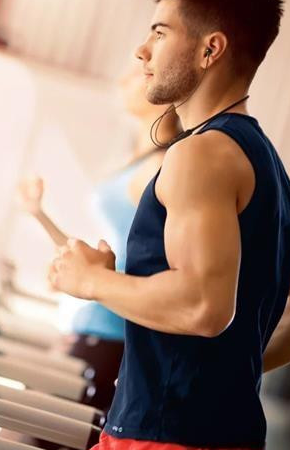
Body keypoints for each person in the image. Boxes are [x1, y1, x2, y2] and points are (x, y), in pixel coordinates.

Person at [48, 0, 290, 450]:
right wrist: (228, 372)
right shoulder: (265, 166)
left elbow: (203, 306)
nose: (141, 51)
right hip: (212, 446)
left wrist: (92, 282)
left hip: (170, 449)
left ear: (211, 49)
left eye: (159, 33)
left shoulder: (201, 156)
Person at [17, 68, 181, 411]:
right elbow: (102, 257)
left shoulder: (161, 167)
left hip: (111, 335)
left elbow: (159, 265)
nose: (123, 81)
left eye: (140, 74)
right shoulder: (138, 159)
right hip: (94, 326)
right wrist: (38, 213)